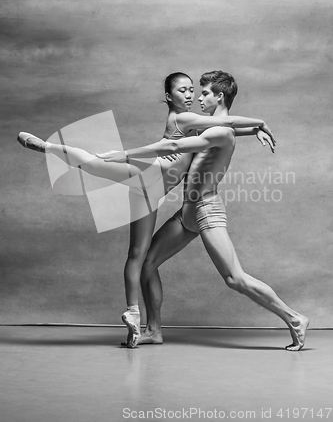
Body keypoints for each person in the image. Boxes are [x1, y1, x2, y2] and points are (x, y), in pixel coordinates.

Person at [18, 72, 274, 347]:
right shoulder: (183, 118)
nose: (191, 96)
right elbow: (228, 122)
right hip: (150, 175)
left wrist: (253, 130)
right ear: (168, 97)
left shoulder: (198, 124)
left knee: (138, 256)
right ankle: (48, 147)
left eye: (192, 90)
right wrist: (260, 123)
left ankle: (135, 316)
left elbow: (225, 129)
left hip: (151, 192)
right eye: (183, 91)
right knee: (94, 165)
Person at [100, 70, 309, 351]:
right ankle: (153, 330)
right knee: (147, 263)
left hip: (206, 210)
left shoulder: (220, 131)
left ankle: (294, 318)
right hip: (189, 210)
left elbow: (175, 144)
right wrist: (255, 128)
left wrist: (124, 155)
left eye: (205, 93)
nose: (198, 97)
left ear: (219, 96)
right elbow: (227, 127)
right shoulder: (215, 128)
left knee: (234, 278)